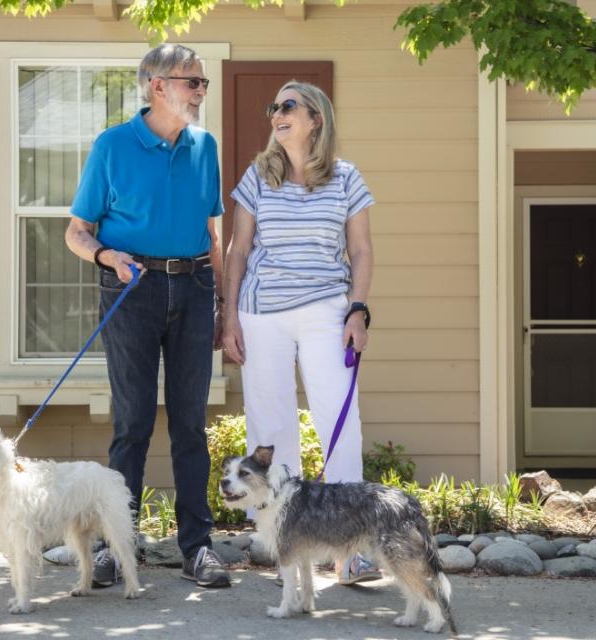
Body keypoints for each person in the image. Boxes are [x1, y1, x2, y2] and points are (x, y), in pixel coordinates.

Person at [65, 44, 230, 589]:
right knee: (132, 421)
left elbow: (214, 234)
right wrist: (105, 255)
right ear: (157, 85)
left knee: (190, 423)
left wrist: (223, 306)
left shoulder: (205, 148)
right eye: (193, 83)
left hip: (194, 284)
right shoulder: (112, 146)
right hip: (129, 286)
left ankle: (197, 548)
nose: (201, 92)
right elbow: (77, 230)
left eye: (203, 84)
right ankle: (117, 547)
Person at [221, 80, 381, 584]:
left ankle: (352, 549)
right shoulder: (256, 176)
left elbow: (360, 251)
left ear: (316, 118)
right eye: (274, 107)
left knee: (339, 421)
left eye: (288, 105)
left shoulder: (346, 177)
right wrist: (228, 318)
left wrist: (358, 310)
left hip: (326, 310)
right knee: (271, 428)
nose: (277, 114)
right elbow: (238, 251)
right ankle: (284, 542)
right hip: (261, 313)